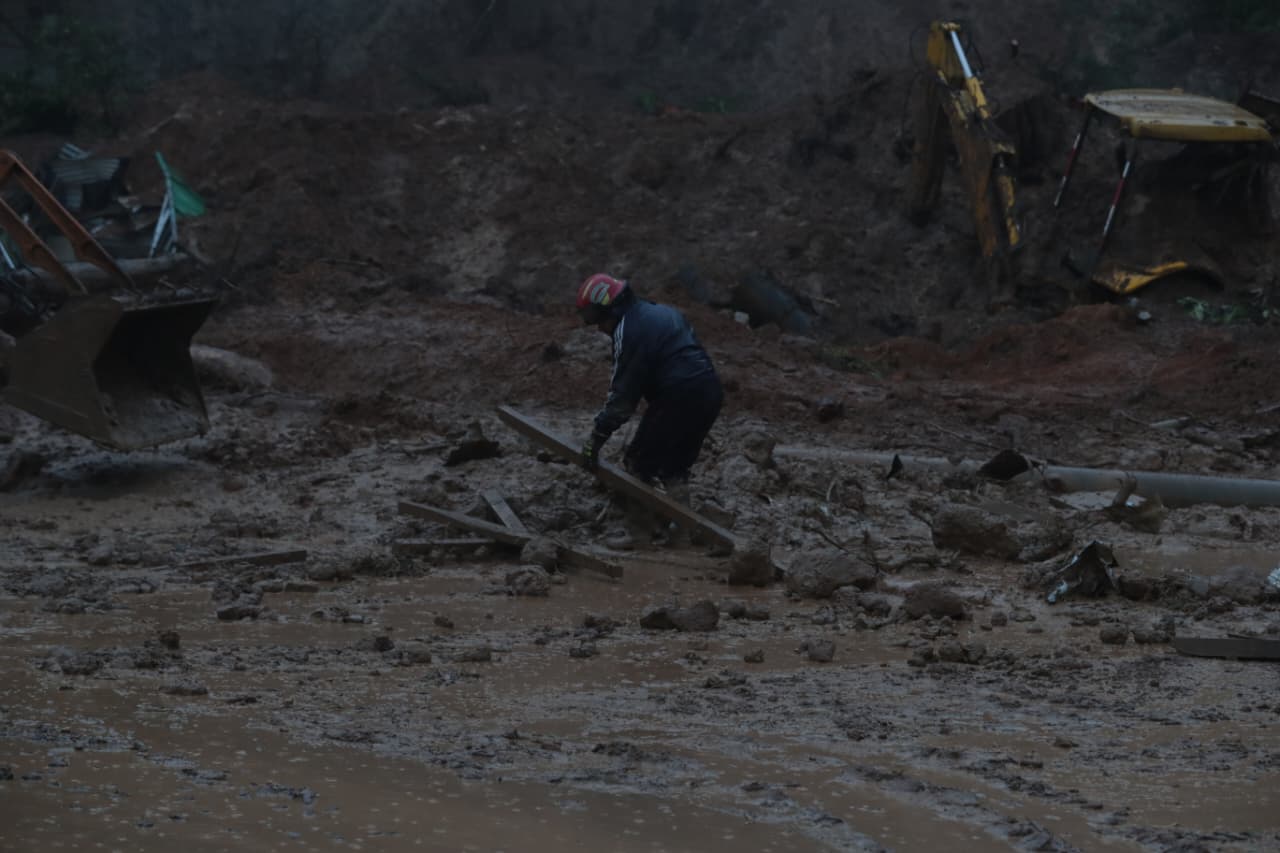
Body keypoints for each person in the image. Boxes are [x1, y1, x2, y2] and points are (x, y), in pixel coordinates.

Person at [575, 273, 723, 512]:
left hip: (677, 396)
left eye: (598, 322)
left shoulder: (628, 330)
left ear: (610, 310)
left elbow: (623, 396)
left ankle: (641, 532)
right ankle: (680, 532)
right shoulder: (663, 312)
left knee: (638, 463)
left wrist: (596, 438)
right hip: (710, 392)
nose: (601, 329)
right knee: (674, 468)